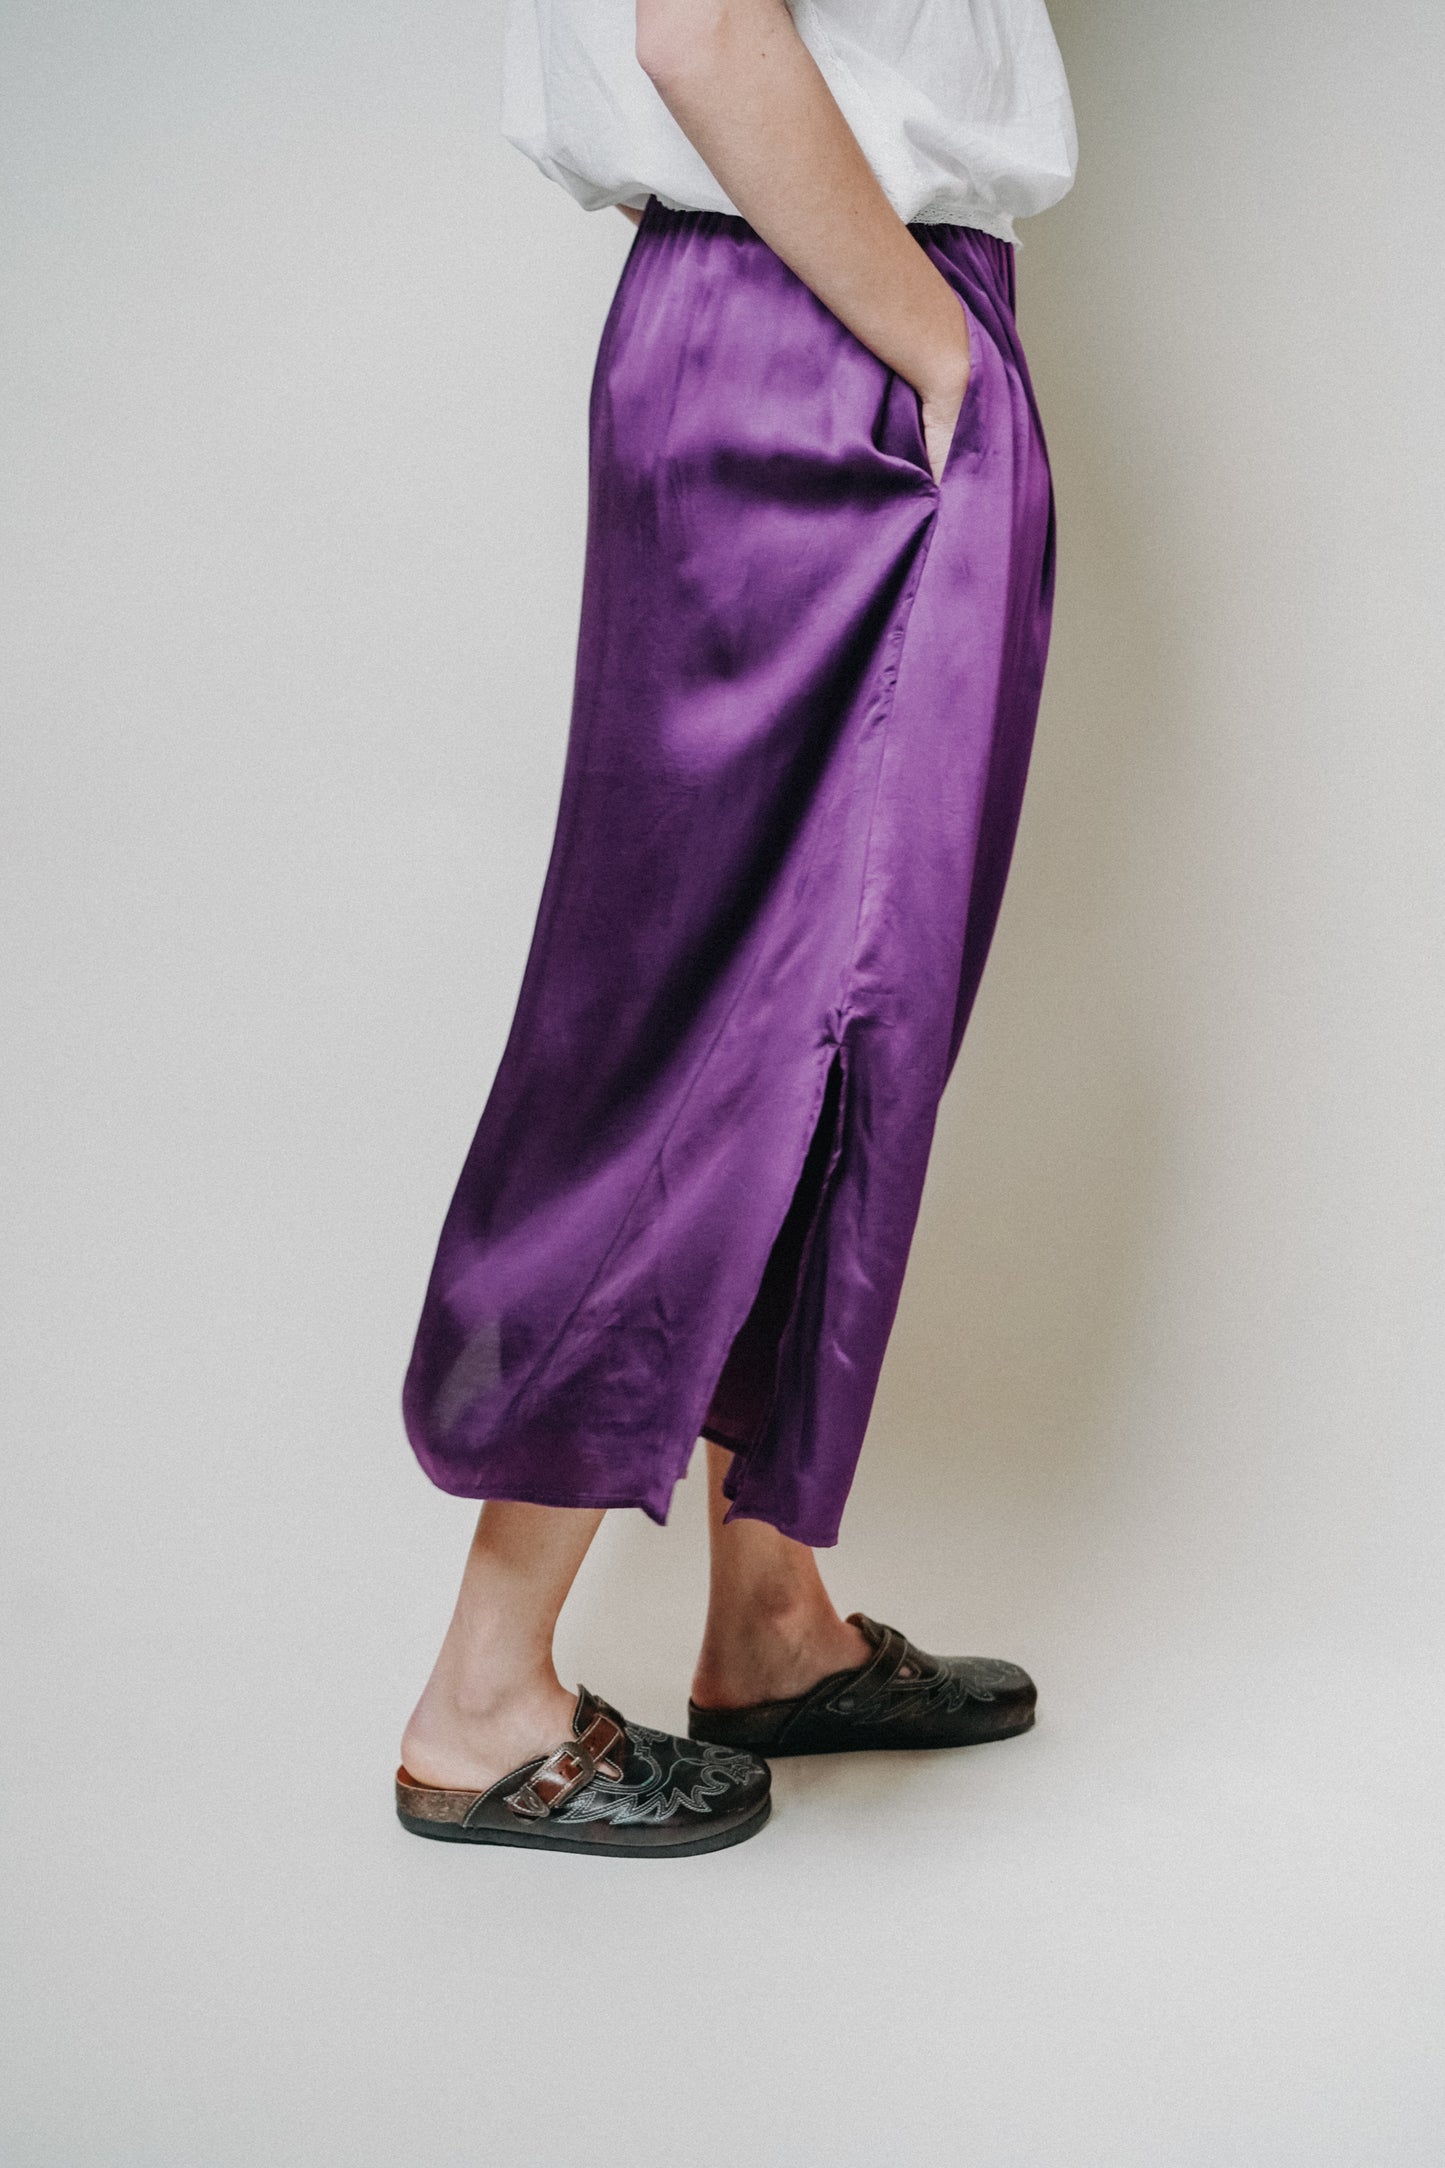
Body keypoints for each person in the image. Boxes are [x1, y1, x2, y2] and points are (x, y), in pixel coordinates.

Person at [394, 0, 1077, 1856]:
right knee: (727, 1006)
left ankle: (769, 1620)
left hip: (807, 294)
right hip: (831, 317)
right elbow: (700, 26)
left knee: (841, 1001)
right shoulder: (884, 322)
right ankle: (483, 1694)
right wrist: (932, 345)